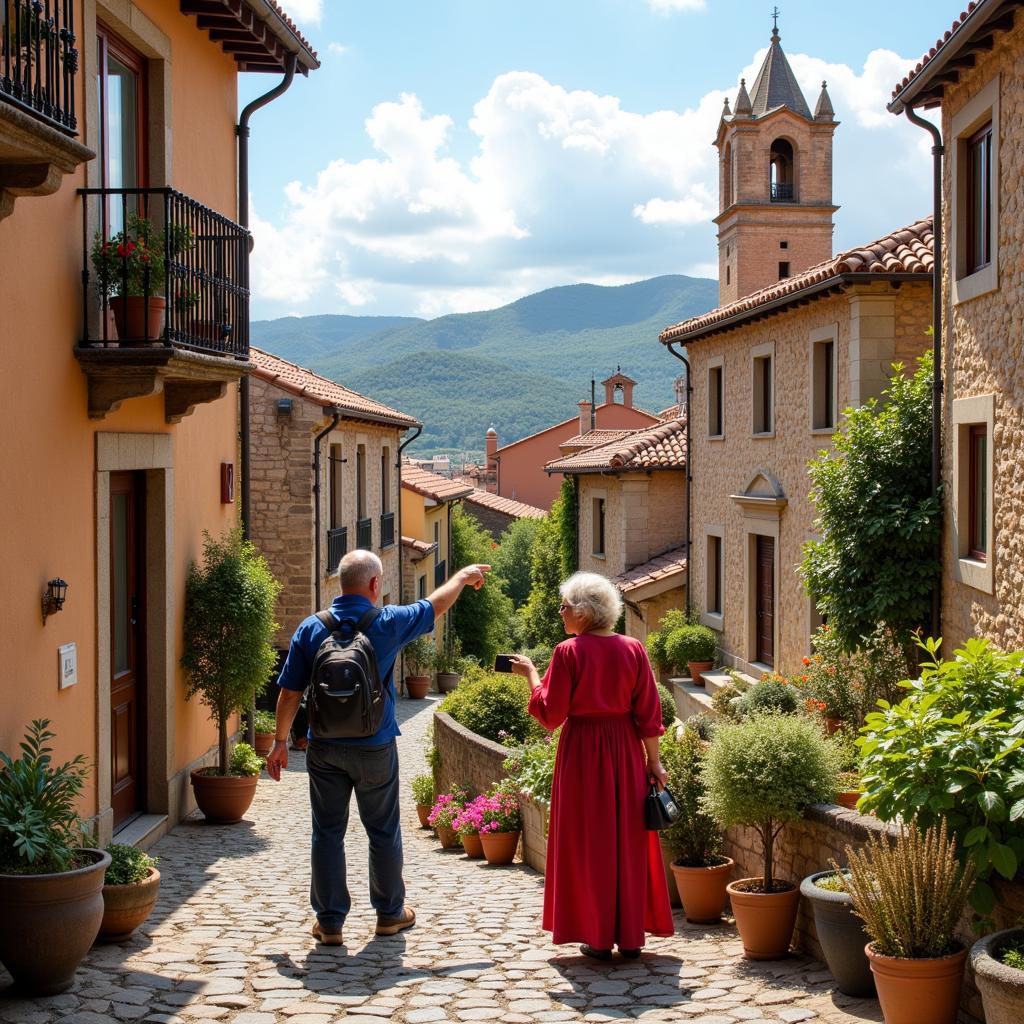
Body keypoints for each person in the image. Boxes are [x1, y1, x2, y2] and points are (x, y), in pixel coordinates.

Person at [266, 549, 490, 946]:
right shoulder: (387, 622)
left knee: (327, 833)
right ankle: (389, 914)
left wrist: (280, 742)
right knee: (383, 831)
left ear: (339, 583)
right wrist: (462, 577)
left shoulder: (310, 628)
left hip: (324, 750)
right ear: (374, 585)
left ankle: (330, 922)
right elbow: (434, 605)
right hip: (376, 746)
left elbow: (289, 694)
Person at [511, 571, 673, 960]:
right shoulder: (634, 649)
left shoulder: (568, 653)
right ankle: (631, 937)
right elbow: (649, 714)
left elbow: (551, 714)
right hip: (626, 752)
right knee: (627, 842)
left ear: (583, 613)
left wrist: (531, 674)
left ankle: (597, 938)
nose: (561, 612)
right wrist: (655, 764)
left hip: (583, 754)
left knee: (588, 844)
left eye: (565, 606)